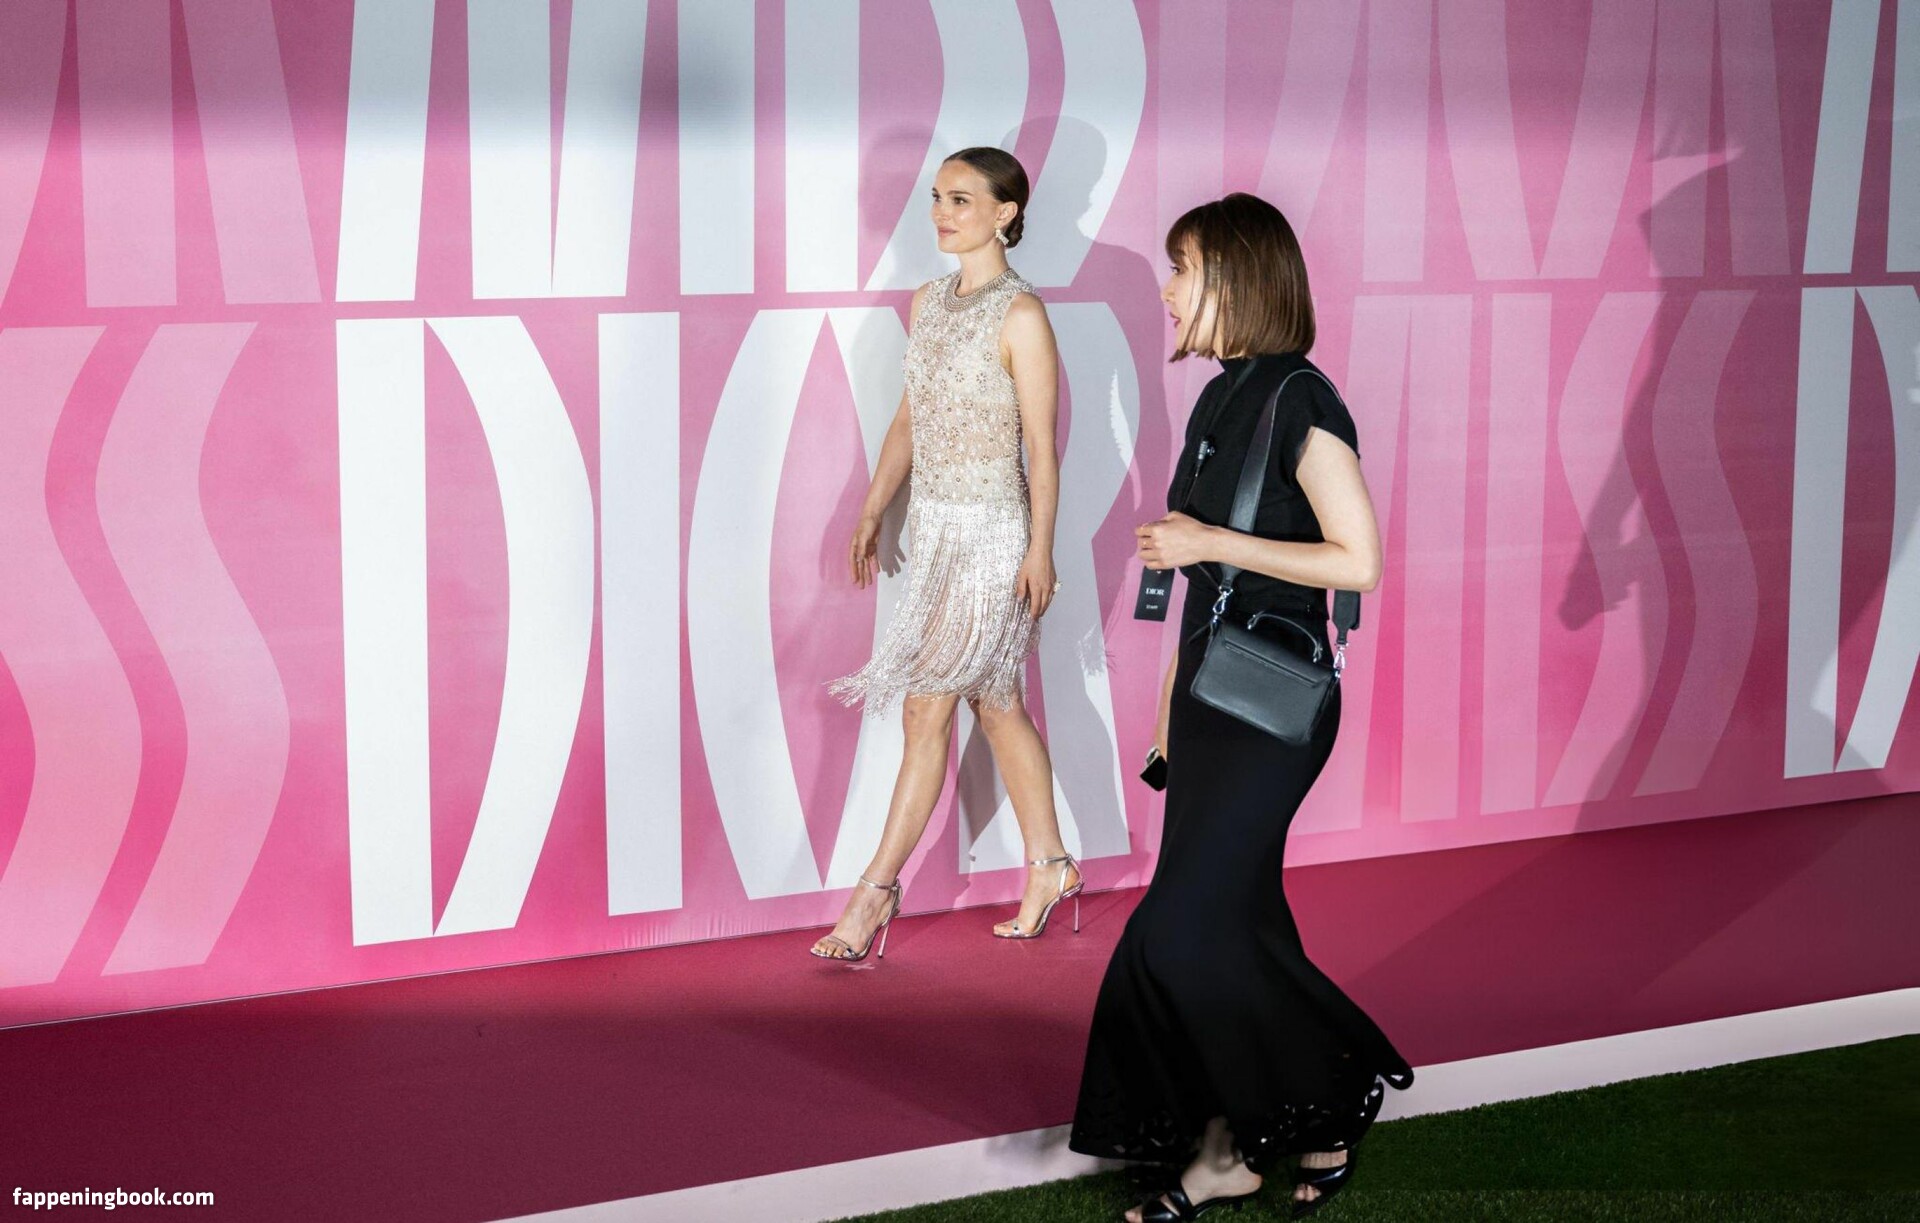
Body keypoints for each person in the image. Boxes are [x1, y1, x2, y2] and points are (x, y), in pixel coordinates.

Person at [1068, 193, 1414, 1220]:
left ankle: (1322, 1095)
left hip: (1274, 705)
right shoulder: (1222, 397)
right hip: (1211, 697)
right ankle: (1246, 1143)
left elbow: (1359, 559)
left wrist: (1209, 540)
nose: (1168, 292)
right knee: (1242, 919)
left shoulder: (1302, 399)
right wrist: (1168, 718)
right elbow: (1200, 591)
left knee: (1179, 931)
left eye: (1183, 269)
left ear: (1238, 279)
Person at [814, 148, 1082, 961]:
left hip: (995, 534)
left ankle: (873, 893)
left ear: (1005, 213)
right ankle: (1052, 865)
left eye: (961, 200)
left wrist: (1040, 549)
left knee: (927, 707)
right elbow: (911, 416)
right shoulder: (926, 302)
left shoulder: (1023, 315)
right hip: (933, 531)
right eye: (937, 197)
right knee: (996, 703)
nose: (941, 213)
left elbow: (1042, 447)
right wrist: (873, 505)